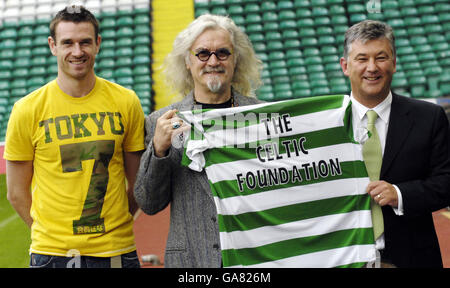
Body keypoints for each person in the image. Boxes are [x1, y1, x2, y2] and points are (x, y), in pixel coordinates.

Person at [5, 5, 145, 268]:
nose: (77, 52)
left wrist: (115, 226)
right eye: (67, 42)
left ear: (98, 44)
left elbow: (137, 183)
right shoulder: (27, 110)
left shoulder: (126, 102)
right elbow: (16, 192)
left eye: (85, 42)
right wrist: (50, 236)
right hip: (52, 254)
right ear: (52, 45)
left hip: (116, 249)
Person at [134, 14, 263, 267]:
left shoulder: (262, 116)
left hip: (253, 259)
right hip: (190, 262)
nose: (213, 61)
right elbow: (149, 203)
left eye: (223, 53)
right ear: (187, 60)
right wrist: (159, 150)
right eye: (203, 53)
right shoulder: (160, 122)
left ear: (235, 60)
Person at [340, 20, 450, 267]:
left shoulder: (429, 117)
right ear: (345, 66)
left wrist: (400, 194)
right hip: (345, 259)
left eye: (381, 57)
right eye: (361, 59)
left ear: (395, 63)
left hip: (412, 258)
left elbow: (445, 182)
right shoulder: (324, 124)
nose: (372, 68)